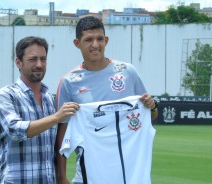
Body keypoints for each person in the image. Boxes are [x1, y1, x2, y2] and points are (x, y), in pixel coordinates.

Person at [55, 16, 158, 184]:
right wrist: (61, 177)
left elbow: (150, 115)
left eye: (100, 39)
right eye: (88, 40)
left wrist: (152, 106)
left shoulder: (127, 72)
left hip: (128, 169)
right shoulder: (69, 82)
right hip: (89, 170)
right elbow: (63, 132)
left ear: (106, 40)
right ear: (77, 43)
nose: (95, 45)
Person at [0, 36, 79, 184]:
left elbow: (57, 146)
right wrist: (57, 117)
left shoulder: (50, 99)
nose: (39, 64)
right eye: (33, 59)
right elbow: (15, 130)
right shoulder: (7, 95)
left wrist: (61, 177)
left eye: (43, 59)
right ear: (18, 63)